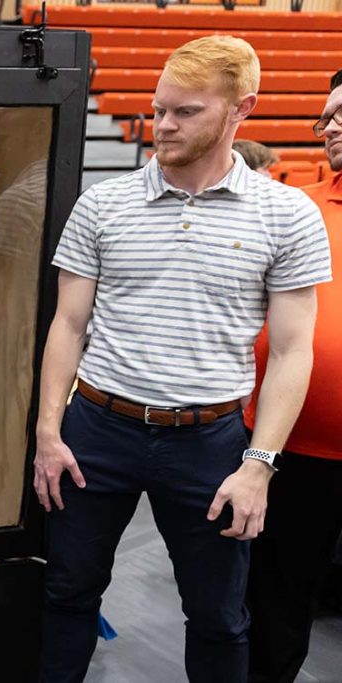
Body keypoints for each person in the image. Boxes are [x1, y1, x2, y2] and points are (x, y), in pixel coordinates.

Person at [33, 36, 332, 683]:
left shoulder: (287, 216)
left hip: (211, 442)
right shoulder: (103, 204)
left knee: (220, 616)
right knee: (67, 594)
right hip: (97, 432)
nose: (163, 125)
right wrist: (48, 430)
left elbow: (290, 352)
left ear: (239, 110)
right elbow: (68, 323)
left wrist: (260, 465)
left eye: (185, 112)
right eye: (158, 108)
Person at [245, 68, 342, 683]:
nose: (330, 127)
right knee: (277, 603)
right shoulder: (296, 206)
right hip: (294, 449)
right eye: (326, 117)